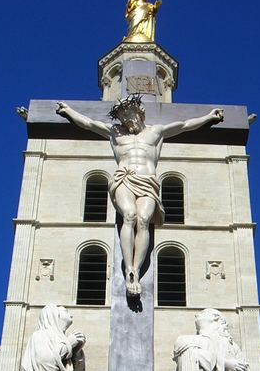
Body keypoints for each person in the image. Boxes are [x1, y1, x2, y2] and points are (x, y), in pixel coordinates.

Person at [57, 95, 224, 296]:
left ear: (140, 112)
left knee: (144, 220)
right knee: (129, 215)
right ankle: (128, 269)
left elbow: (185, 125)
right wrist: (68, 111)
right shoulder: (114, 133)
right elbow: (88, 123)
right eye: (123, 117)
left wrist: (208, 117)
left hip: (148, 182)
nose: (127, 121)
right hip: (124, 178)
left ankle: (137, 268)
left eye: (130, 115)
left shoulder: (156, 132)